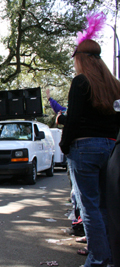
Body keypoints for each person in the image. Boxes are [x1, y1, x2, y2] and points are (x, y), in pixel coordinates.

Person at [57, 39, 120, 267]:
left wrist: (64, 146)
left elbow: (72, 119)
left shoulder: (81, 82)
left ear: (80, 58)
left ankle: (97, 259)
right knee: (104, 206)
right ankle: (108, 256)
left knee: (89, 207)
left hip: (83, 149)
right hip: (110, 148)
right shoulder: (115, 84)